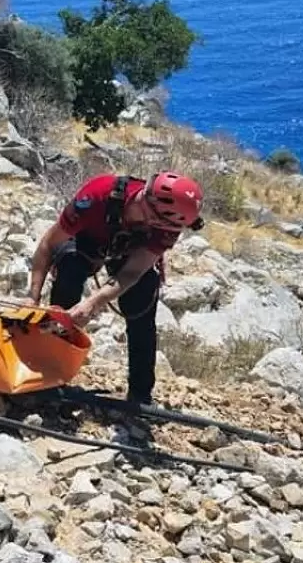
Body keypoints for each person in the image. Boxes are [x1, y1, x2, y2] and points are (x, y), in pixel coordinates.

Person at [25, 171, 205, 407]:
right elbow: (50, 242)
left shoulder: (168, 227)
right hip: (87, 240)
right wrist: (32, 298)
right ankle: (50, 371)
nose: (139, 206)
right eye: (142, 201)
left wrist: (93, 302)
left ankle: (140, 394)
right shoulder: (97, 195)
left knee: (142, 299)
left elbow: (132, 272)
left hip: (129, 251)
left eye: (145, 212)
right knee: (70, 270)